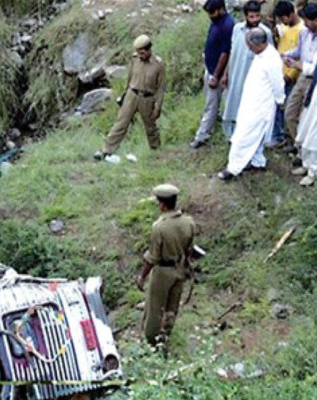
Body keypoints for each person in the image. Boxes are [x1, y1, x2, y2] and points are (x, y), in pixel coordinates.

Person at [218, 28, 285, 179]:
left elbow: (278, 84)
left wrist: (280, 100)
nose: (248, 48)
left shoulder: (271, 59)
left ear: (258, 44)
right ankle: (257, 161)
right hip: (251, 101)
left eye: (249, 45)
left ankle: (233, 168)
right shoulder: (260, 54)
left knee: (244, 135)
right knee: (254, 134)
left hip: (260, 105)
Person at [137, 184, 197, 348]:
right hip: (180, 269)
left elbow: (153, 257)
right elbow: (190, 249)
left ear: (162, 204)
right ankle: (165, 336)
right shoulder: (188, 222)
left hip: (163, 272)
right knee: (172, 307)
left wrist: (142, 277)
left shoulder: (160, 227)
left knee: (154, 309)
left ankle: (151, 341)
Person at [93, 35, 166, 163]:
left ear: (149, 50)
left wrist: (157, 106)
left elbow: (160, 88)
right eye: (138, 52)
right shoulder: (134, 59)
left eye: (142, 53)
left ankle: (156, 152)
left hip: (147, 99)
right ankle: (106, 150)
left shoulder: (159, 65)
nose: (140, 55)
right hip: (132, 95)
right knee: (121, 123)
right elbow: (130, 78)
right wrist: (124, 94)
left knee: (150, 127)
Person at [221, 1, 273, 138]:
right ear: (245, 16)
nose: (255, 20)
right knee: (233, 104)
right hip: (236, 74)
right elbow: (232, 52)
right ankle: (232, 135)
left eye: (257, 16)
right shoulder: (237, 29)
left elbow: (270, 58)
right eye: (252, 17)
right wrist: (226, 74)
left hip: (254, 79)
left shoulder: (265, 33)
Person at [191, 0, 235, 149]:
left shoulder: (227, 25)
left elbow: (225, 53)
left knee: (210, 105)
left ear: (221, 9)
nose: (210, 16)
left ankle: (202, 136)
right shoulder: (217, 20)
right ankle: (214, 123)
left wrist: (216, 75)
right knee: (211, 104)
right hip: (210, 68)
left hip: (216, 72)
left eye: (212, 12)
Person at [280, 3, 317, 155]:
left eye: (308, 21)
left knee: (307, 118)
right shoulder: (305, 33)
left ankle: (306, 152)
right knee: (290, 112)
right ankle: (299, 145)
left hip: (316, 81)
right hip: (303, 77)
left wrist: (298, 65)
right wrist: (286, 55)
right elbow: (299, 50)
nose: (305, 23)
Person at [268, 1, 303, 147]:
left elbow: (301, 55)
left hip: (290, 76)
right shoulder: (284, 28)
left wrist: (290, 75)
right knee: (279, 107)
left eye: (283, 18)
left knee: (290, 109)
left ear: (291, 15)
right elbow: (279, 45)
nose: (282, 22)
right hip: (279, 73)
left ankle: (290, 139)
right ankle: (279, 136)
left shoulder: (302, 30)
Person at [292, 49, 317, 186]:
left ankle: (314, 172)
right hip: (315, 93)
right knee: (305, 128)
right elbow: (314, 69)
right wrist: (298, 65)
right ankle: (306, 164)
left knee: (316, 136)